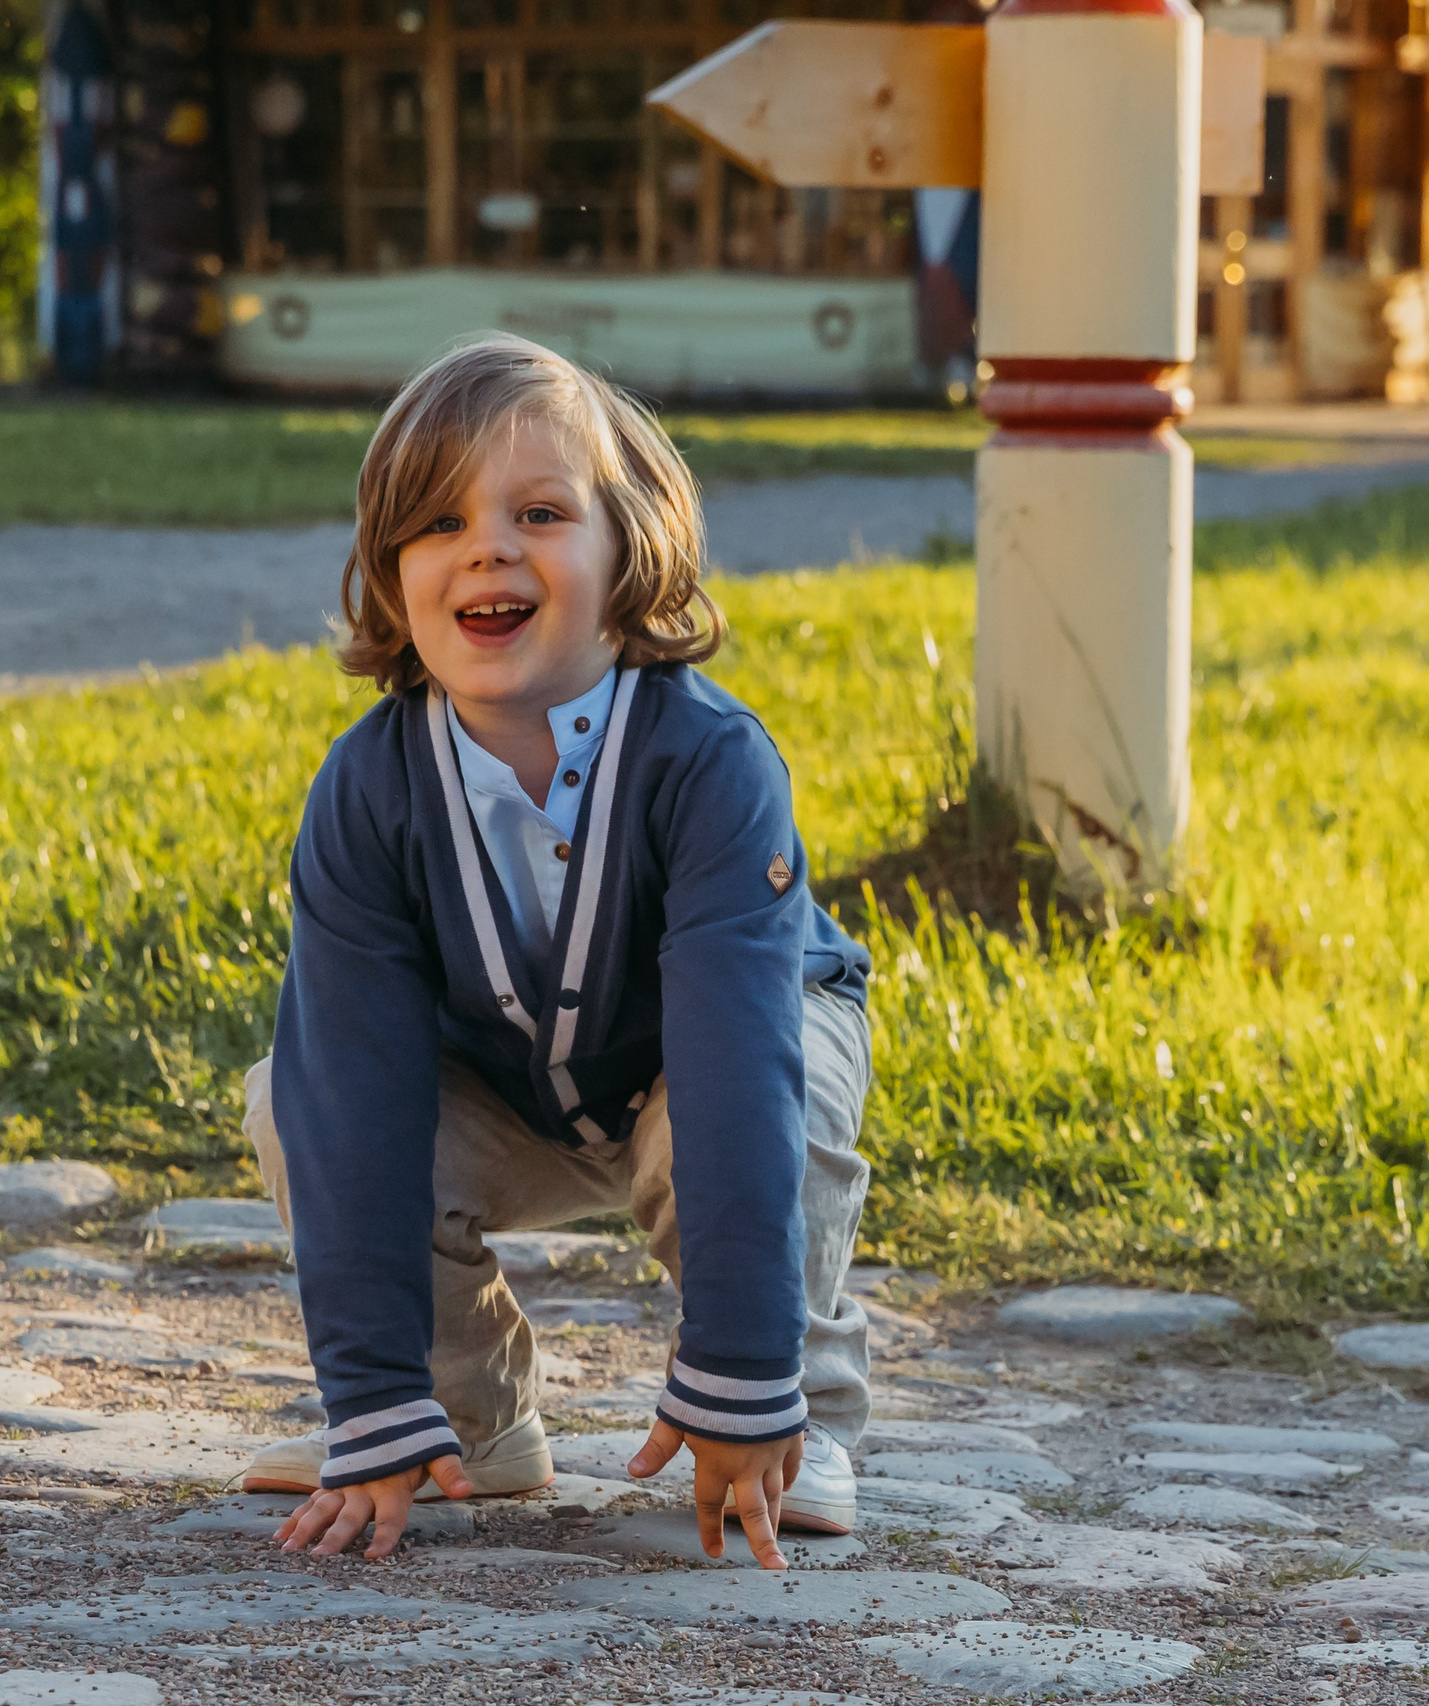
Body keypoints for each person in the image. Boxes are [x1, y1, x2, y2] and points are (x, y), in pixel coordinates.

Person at [242, 334, 875, 1572]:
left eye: (539, 511)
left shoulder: (709, 762)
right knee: (291, 1098)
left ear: (627, 549)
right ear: (389, 575)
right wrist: (367, 1399)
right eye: (437, 522)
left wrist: (740, 1371)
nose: (486, 546)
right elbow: (355, 1076)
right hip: (510, 1084)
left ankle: (800, 1413)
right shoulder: (369, 786)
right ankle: (461, 1415)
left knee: (742, 1106)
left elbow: (741, 1059)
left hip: (723, 1063)